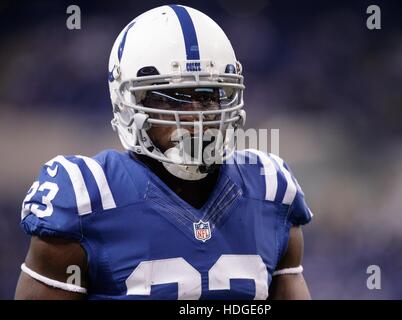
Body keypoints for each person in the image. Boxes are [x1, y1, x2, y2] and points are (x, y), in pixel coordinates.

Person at [15, 4, 314, 300]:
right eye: (173, 98)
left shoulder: (270, 189)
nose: (196, 117)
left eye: (208, 96)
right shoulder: (86, 197)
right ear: (127, 102)